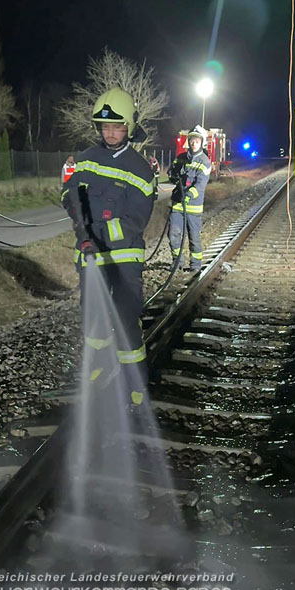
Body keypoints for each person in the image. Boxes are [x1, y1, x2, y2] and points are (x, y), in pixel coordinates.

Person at [61, 88, 155, 408]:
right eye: (104, 127)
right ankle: (97, 370)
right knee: (94, 319)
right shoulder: (84, 159)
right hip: (90, 255)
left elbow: (135, 220)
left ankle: (135, 383)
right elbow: (70, 197)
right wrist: (82, 230)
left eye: (116, 127)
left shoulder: (141, 169)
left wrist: (99, 236)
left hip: (124, 256)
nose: (110, 133)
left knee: (127, 320)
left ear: (128, 126)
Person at [168, 126, 211, 272]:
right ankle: (177, 263)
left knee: (194, 237)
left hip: (193, 207)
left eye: (197, 141)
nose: (194, 143)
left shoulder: (205, 162)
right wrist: (173, 176)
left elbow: (200, 185)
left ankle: (195, 265)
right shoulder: (180, 158)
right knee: (174, 234)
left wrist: (188, 194)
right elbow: (171, 172)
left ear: (201, 142)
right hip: (177, 206)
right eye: (192, 140)